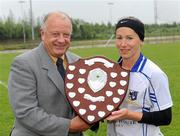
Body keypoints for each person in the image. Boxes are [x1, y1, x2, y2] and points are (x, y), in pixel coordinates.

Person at [8, 11, 90, 136]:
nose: (61, 40)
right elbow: (26, 112)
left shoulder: (78, 62)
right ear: (42, 34)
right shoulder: (24, 63)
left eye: (66, 35)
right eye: (55, 34)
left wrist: (92, 117)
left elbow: (87, 100)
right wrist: (69, 126)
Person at [106, 17, 173, 136]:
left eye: (129, 38)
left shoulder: (154, 74)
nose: (123, 44)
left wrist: (129, 115)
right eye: (119, 38)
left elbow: (165, 117)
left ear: (141, 40)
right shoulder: (111, 72)